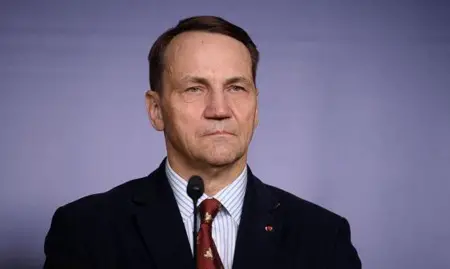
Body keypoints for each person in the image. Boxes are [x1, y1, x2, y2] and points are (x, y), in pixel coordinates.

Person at [43, 15, 362, 269]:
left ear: (256, 107)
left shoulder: (323, 236)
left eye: (236, 88)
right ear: (156, 110)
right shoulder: (85, 230)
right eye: (194, 89)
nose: (220, 110)